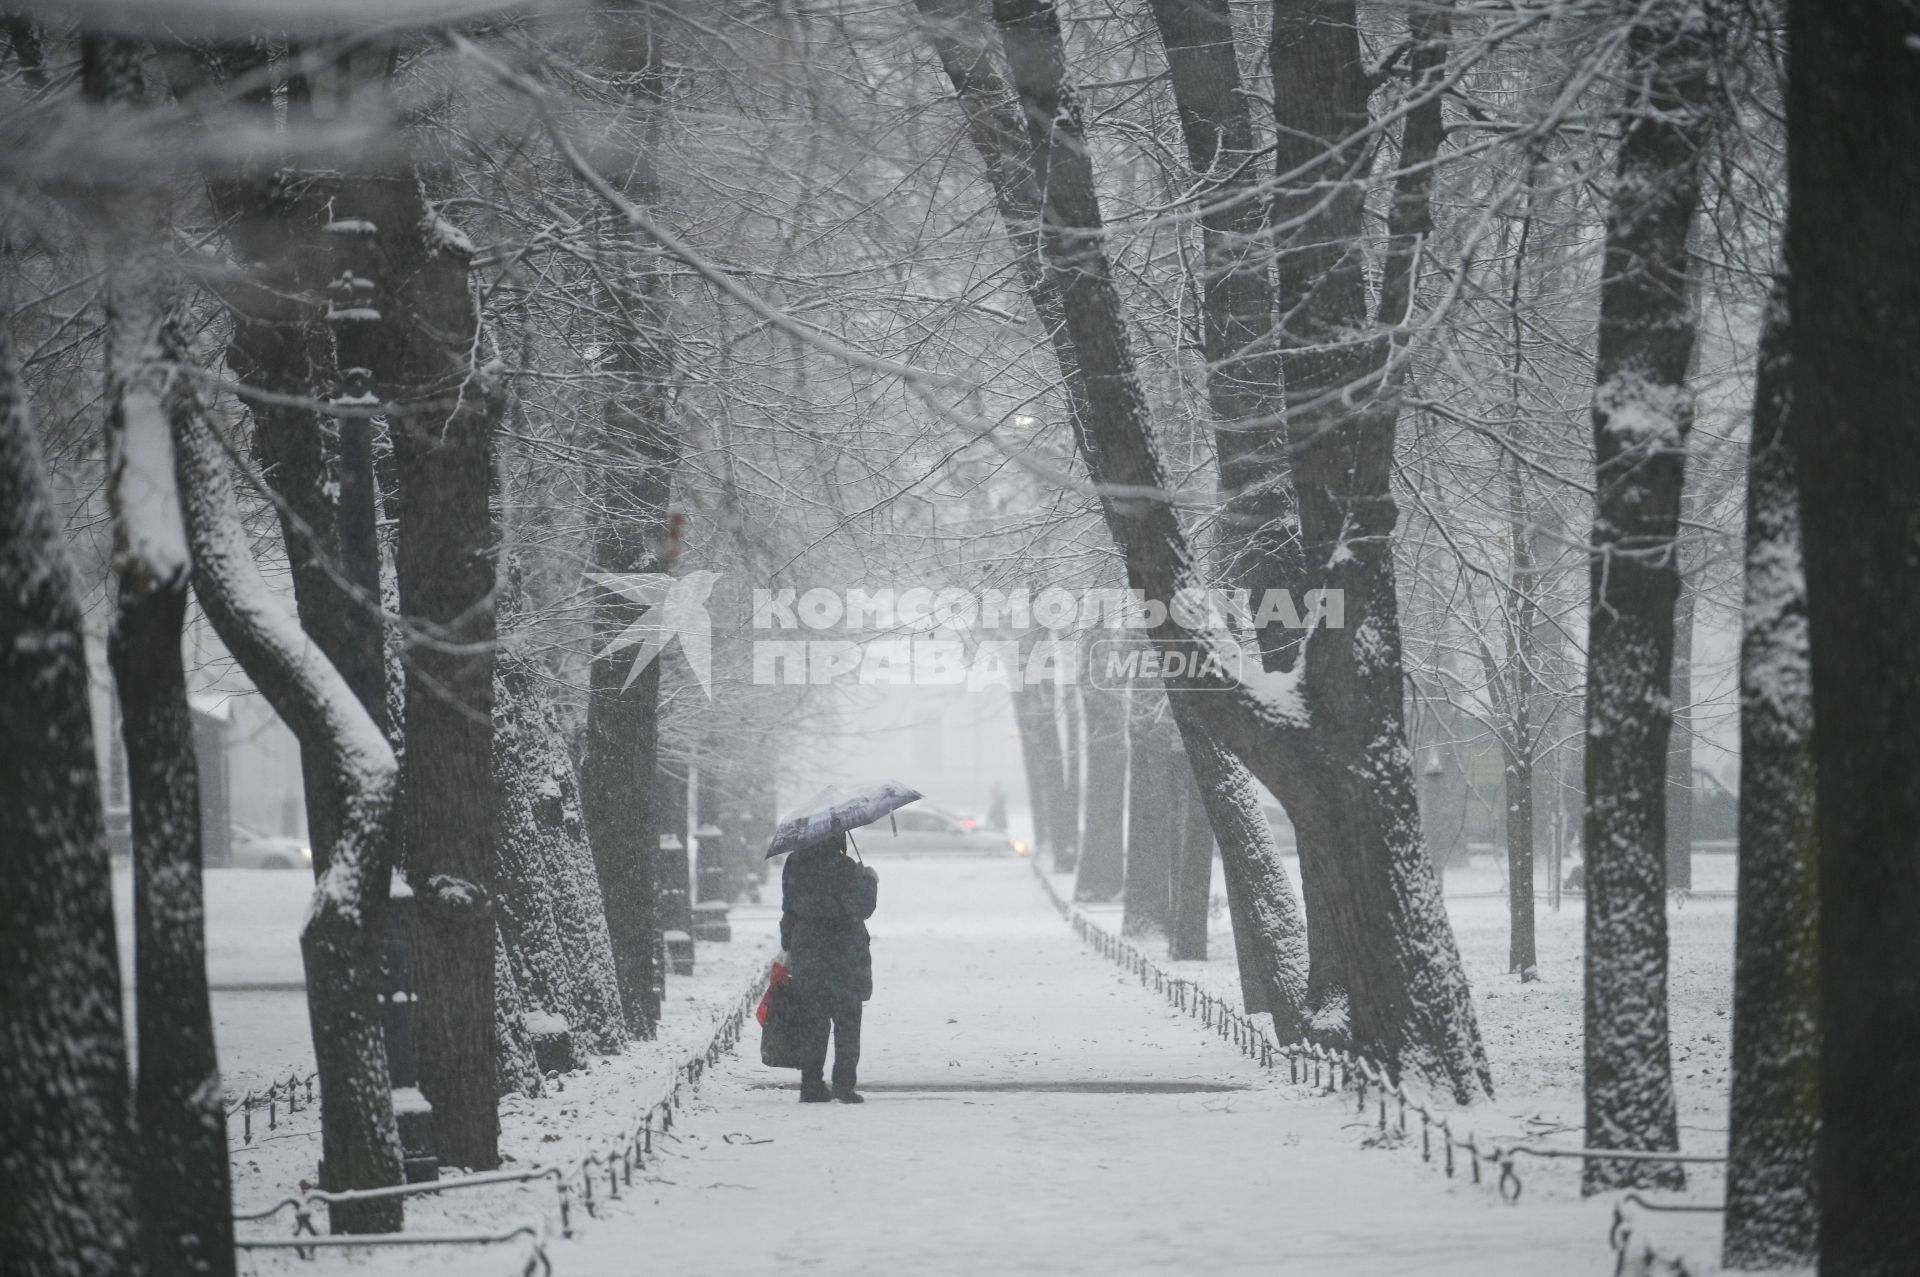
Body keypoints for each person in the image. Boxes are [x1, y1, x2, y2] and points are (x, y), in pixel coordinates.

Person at [780, 831, 879, 1103]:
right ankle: (844, 1086)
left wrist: (788, 945)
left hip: (808, 953)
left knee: (813, 1021)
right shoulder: (846, 869)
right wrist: (870, 880)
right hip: (844, 954)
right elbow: (861, 908)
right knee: (847, 1021)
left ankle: (810, 1085)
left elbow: (789, 908)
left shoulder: (794, 865)